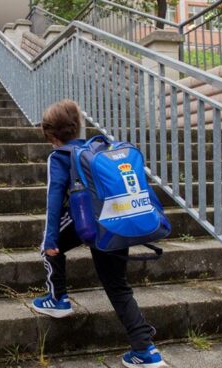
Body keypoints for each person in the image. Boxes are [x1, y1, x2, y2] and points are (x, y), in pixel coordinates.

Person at [31, 100, 167, 368]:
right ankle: (145, 350)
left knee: (48, 242)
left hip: (89, 223)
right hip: (114, 219)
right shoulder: (92, 150)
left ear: (51, 135)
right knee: (117, 285)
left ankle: (57, 297)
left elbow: (55, 198)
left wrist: (50, 239)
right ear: (78, 125)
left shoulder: (59, 156)